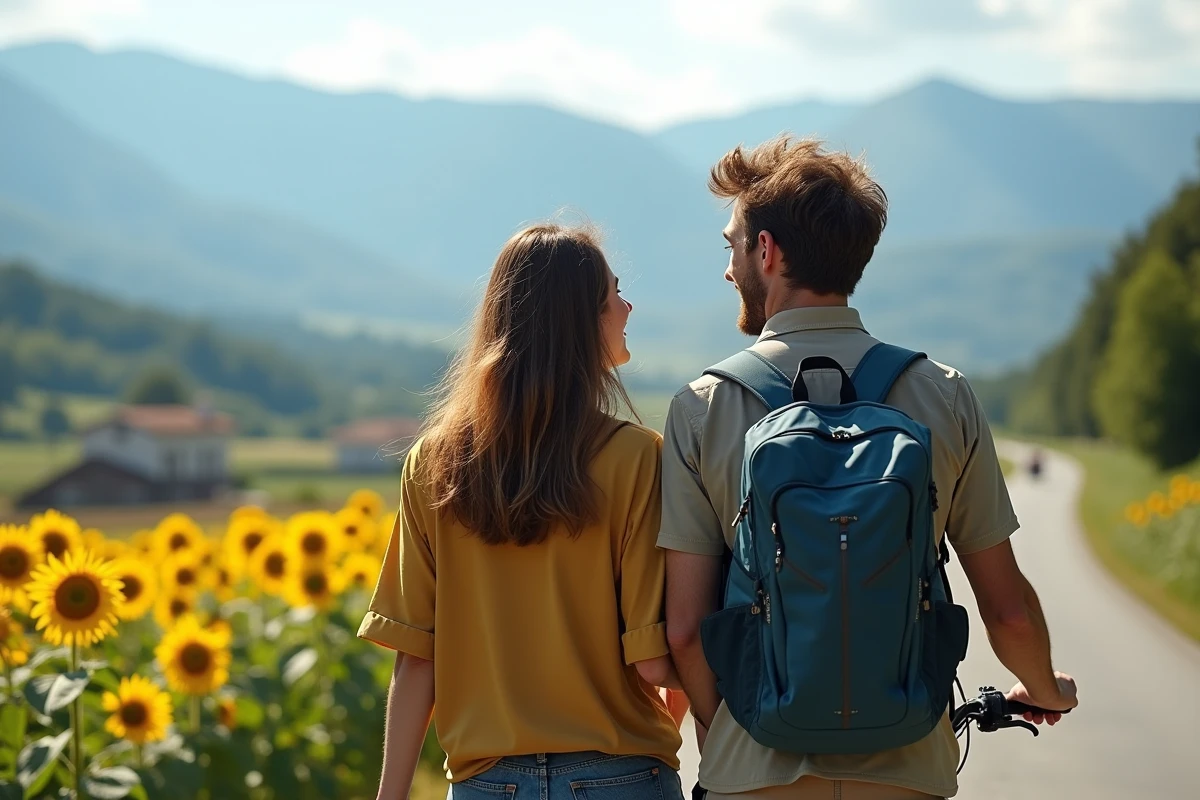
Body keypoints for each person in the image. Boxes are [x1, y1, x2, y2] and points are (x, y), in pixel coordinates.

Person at [657, 137, 1078, 800]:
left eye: (732, 245)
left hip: (755, 774)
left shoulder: (702, 408)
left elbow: (683, 629)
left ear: (765, 252)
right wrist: (1048, 688)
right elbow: (1010, 611)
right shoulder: (943, 393)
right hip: (910, 767)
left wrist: (736, 734)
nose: (729, 267)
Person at [358, 223, 687, 800]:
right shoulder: (637, 457)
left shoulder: (433, 464)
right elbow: (656, 660)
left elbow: (416, 662)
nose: (627, 306)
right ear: (578, 320)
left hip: (487, 784)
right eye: (613, 293)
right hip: (623, 777)